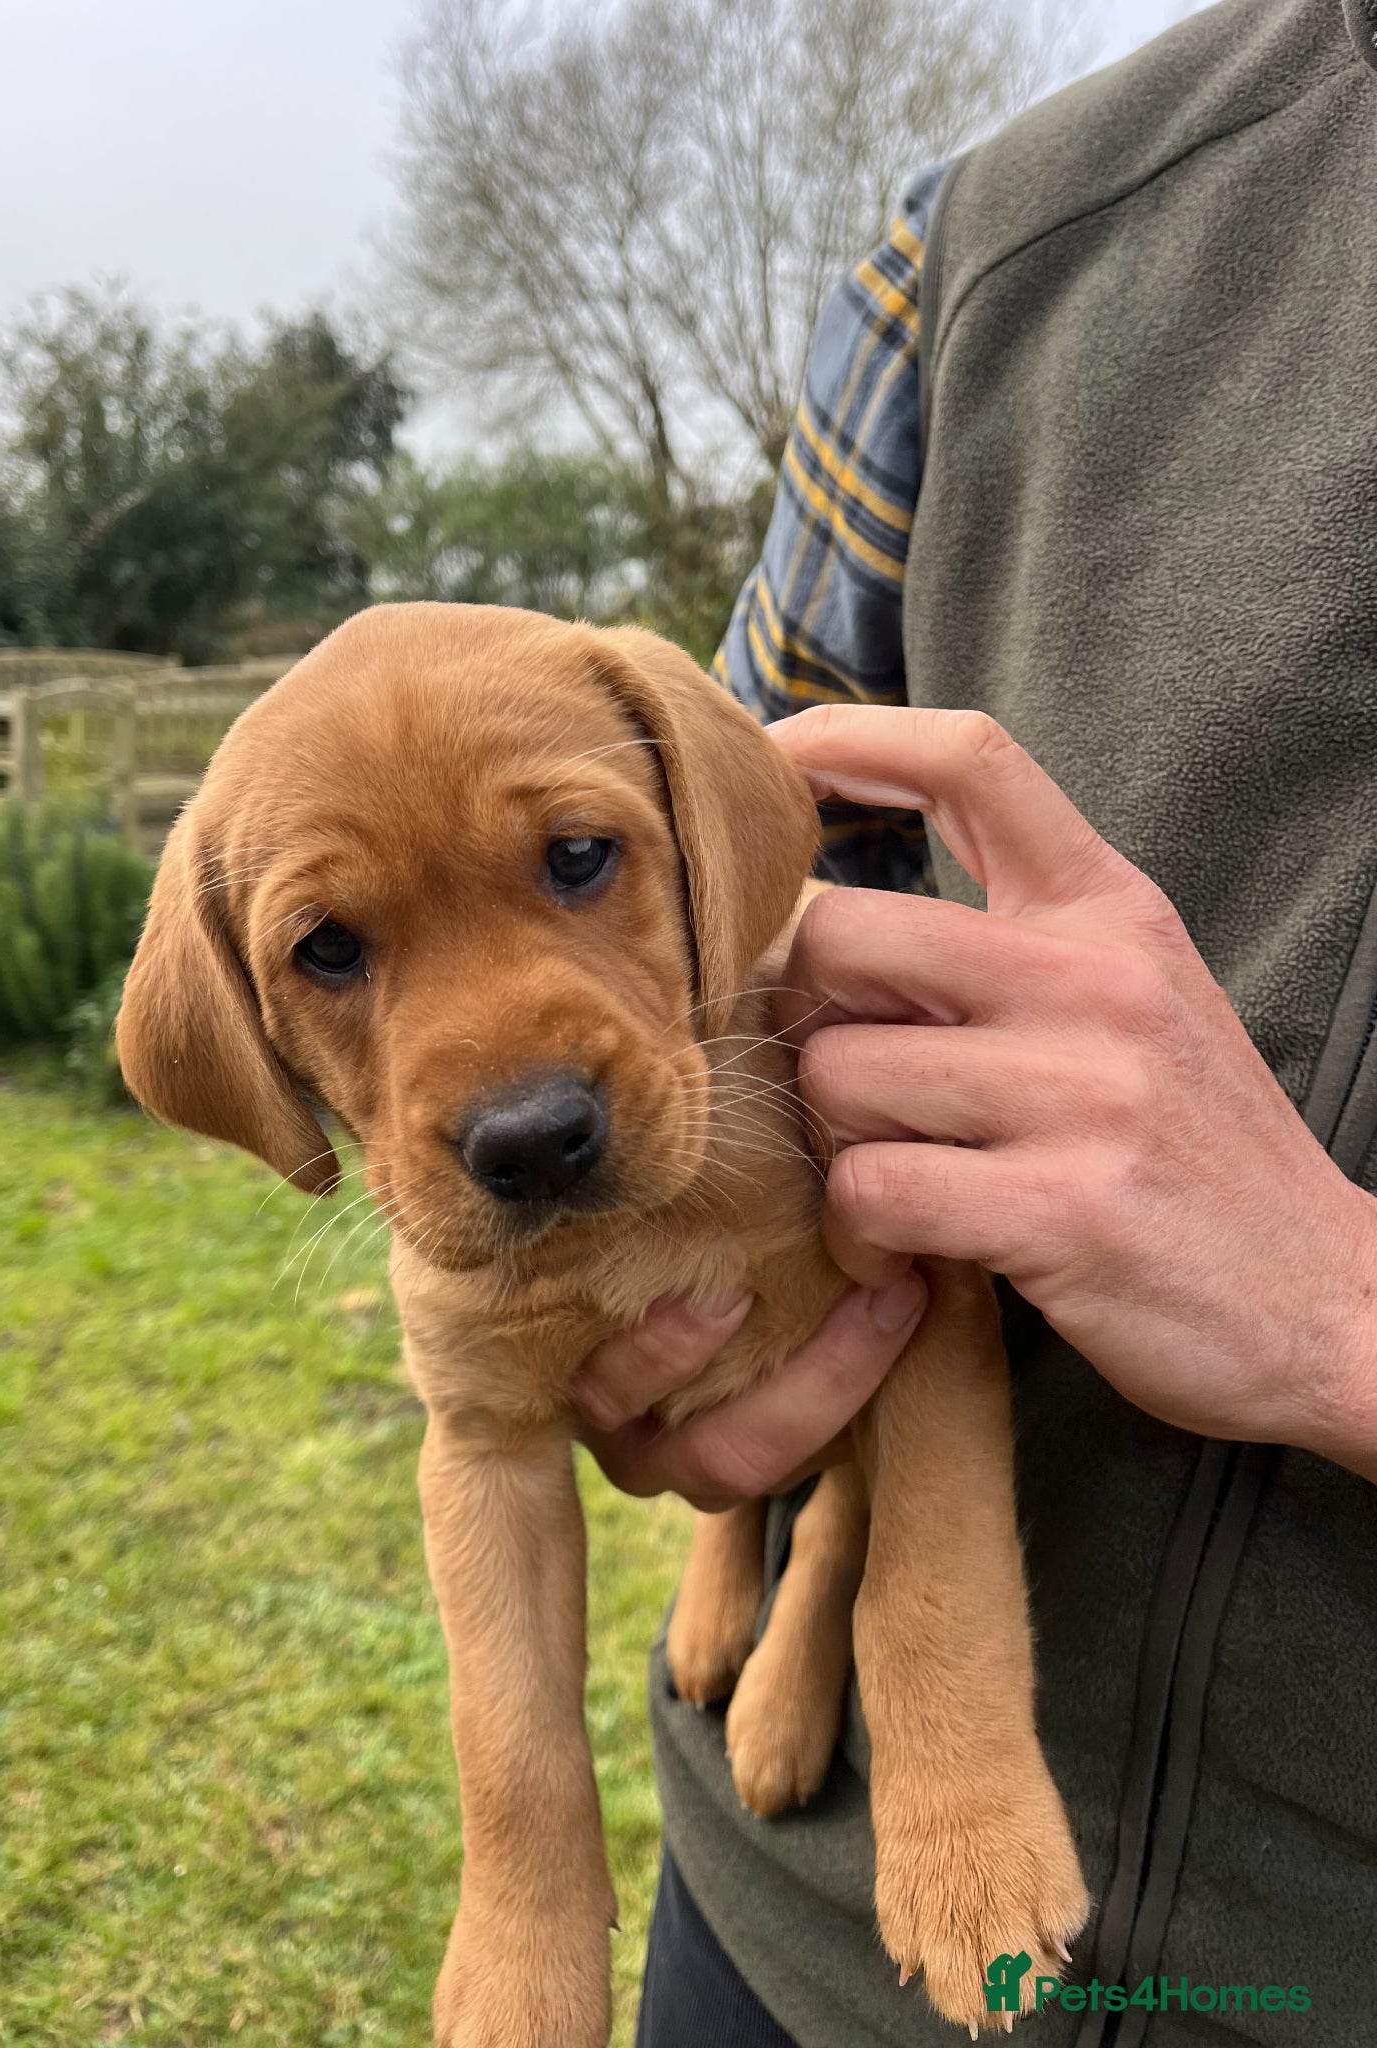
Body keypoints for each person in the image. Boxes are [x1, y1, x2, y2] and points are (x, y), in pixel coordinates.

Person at [572, 1, 1377, 2041]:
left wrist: (1343, 1319)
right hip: (794, 1913)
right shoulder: (983, 255)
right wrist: (612, 1266)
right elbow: (717, 930)